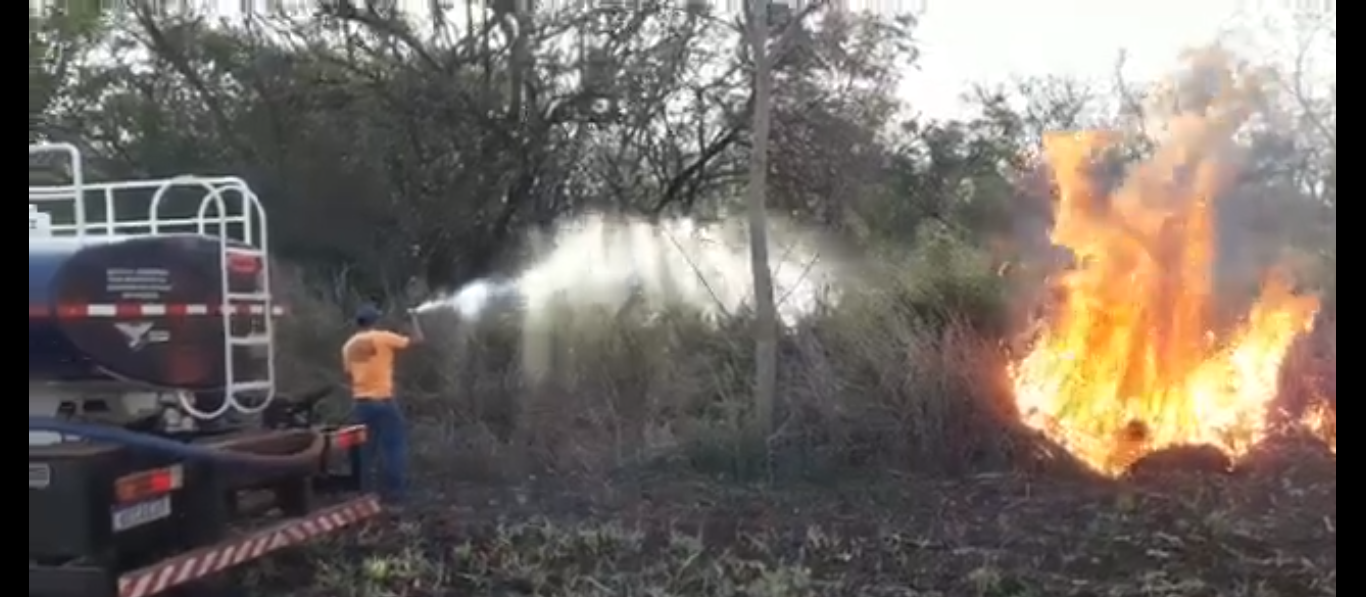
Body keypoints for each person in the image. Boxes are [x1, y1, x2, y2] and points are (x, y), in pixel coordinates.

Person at [341, 304, 423, 506]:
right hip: (383, 401)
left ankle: (365, 495)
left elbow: (349, 373)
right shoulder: (382, 337)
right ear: (375, 321)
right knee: (394, 446)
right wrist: (413, 318)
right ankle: (395, 495)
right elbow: (418, 340)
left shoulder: (348, 346)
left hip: (360, 403)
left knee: (365, 450)